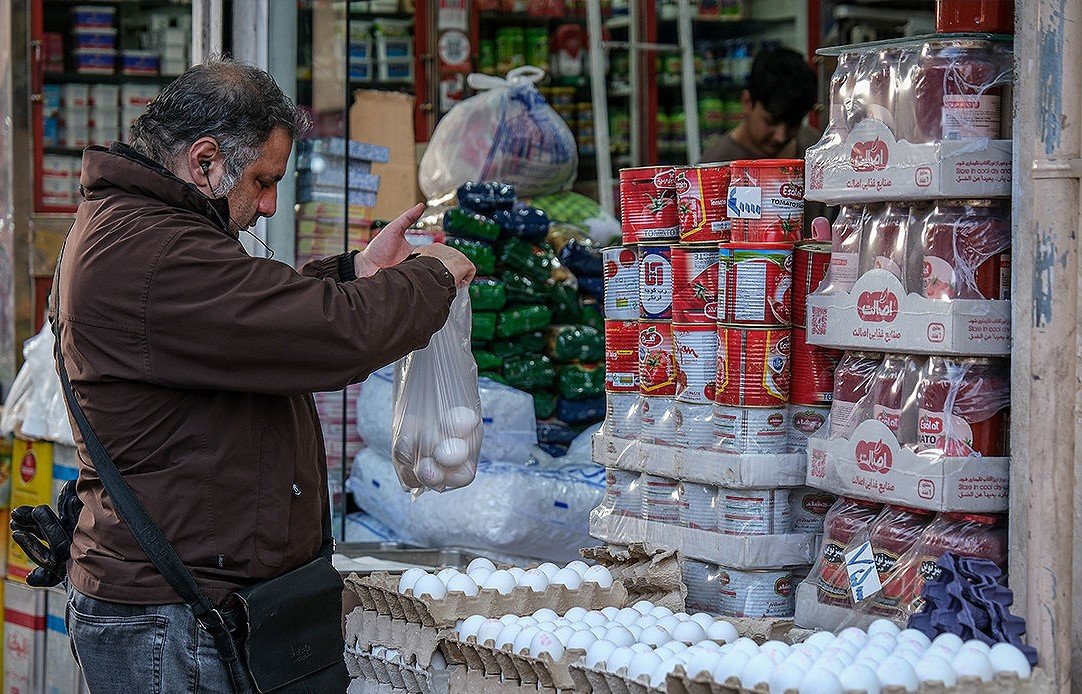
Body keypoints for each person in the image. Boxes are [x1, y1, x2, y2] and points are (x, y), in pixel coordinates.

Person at [51, 59, 474, 692]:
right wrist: (432, 277)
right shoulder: (154, 251)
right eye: (262, 180)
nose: (271, 204)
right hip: (171, 619)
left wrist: (354, 273)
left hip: (185, 602)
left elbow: (242, 324)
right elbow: (325, 334)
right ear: (203, 161)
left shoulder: (148, 233)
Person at [702, 47, 819, 162]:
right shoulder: (715, 165)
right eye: (771, 121)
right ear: (747, 102)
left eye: (793, 124)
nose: (781, 137)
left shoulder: (816, 148)